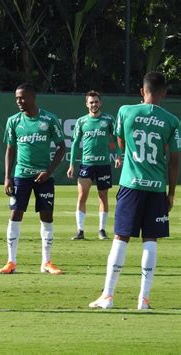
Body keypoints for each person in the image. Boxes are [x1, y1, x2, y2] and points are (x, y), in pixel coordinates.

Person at [89, 72, 180, 310]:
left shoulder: (126, 111)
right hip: (157, 188)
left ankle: (108, 296)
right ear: (164, 93)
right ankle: (144, 299)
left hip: (131, 185)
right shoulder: (172, 121)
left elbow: (121, 141)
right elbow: (174, 160)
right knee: (150, 239)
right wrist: (171, 193)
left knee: (121, 237)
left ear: (142, 90)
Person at [0, 83, 66, 275]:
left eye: (22, 98)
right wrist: (7, 177)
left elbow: (61, 147)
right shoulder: (13, 121)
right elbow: (10, 149)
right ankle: (11, 261)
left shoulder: (49, 119)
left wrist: (49, 171)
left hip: (43, 177)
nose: (19, 101)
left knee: (47, 215)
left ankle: (46, 261)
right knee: (15, 214)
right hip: (21, 176)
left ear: (32, 97)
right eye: (17, 98)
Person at [67, 91, 122, 240]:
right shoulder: (81, 121)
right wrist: (72, 164)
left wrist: (119, 155)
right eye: (91, 102)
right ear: (87, 104)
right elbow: (75, 143)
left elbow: (116, 138)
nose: (94, 104)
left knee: (103, 196)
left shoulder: (109, 119)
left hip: (103, 164)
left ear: (100, 103)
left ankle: (102, 230)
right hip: (86, 165)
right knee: (82, 196)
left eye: (96, 102)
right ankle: (80, 231)